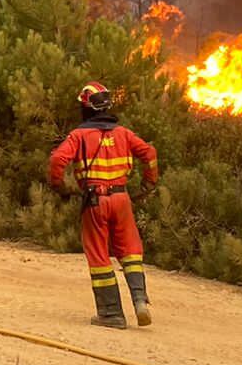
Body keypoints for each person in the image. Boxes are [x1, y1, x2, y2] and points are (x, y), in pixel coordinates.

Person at [47, 81, 160, 329]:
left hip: (95, 202)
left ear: (86, 108)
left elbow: (57, 160)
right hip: (122, 199)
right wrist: (149, 184)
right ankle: (140, 300)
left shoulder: (79, 135)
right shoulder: (124, 133)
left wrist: (59, 186)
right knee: (130, 251)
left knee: (99, 255)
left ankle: (111, 314)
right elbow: (150, 154)